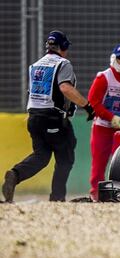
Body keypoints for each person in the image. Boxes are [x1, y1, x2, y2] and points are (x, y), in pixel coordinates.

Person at [2, 30, 95, 202]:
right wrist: (87, 106)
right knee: (65, 156)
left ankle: (14, 175)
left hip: (34, 118)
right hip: (53, 118)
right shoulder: (63, 64)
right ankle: (57, 199)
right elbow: (65, 88)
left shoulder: (35, 65)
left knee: (41, 156)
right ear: (63, 46)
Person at [88, 44, 120, 201]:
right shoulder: (103, 77)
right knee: (99, 162)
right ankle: (96, 193)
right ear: (114, 58)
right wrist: (111, 118)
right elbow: (93, 102)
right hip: (102, 128)